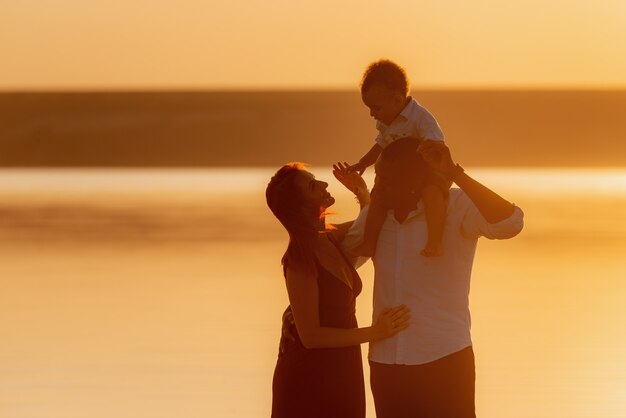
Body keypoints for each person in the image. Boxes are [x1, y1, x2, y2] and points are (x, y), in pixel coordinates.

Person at [335, 138, 525, 418]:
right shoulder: (376, 215)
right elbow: (344, 259)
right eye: (378, 177)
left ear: (415, 181)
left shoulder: (456, 206)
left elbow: (511, 224)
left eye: (388, 180)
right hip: (386, 361)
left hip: (444, 357)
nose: (379, 186)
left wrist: (455, 174)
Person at [266, 162, 411, 418]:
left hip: (342, 367)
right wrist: (377, 332)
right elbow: (311, 337)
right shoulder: (300, 259)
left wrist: (361, 192)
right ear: (300, 205)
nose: (323, 184)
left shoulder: (331, 239)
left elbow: (372, 228)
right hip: (310, 375)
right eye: (312, 185)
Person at [347, 59, 449, 257]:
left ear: (396, 100)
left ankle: (435, 241)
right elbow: (380, 144)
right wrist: (364, 162)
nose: (372, 114)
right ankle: (369, 244)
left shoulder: (421, 118)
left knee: (433, 193)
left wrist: (421, 157)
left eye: (376, 108)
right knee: (377, 198)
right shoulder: (386, 122)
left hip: (427, 171)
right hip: (398, 176)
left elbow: (437, 144)